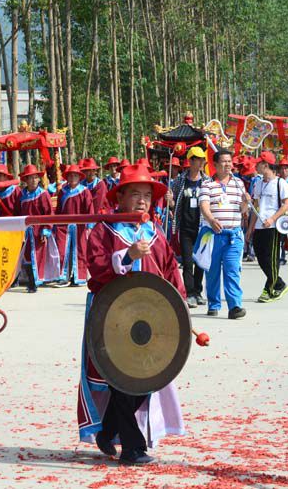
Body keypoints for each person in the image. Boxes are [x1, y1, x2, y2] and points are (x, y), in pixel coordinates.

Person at [79, 164, 185, 465]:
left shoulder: (155, 232)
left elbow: (169, 269)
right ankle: (132, 448)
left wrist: (179, 301)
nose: (142, 201)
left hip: (149, 322)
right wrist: (126, 256)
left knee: (147, 377)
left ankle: (109, 429)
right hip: (113, 319)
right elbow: (96, 270)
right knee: (123, 381)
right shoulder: (105, 229)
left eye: (147, 195)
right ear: (120, 197)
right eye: (135, 194)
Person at [199, 148, 249, 319]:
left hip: (233, 235)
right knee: (212, 271)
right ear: (215, 165)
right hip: (212, 235)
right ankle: (213, 303)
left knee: (232, 270)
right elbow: (204, 206)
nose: (228, 165)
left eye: (230, 161)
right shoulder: (207, 184)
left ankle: (235, 306)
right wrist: (212, 220)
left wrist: (246, 203)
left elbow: (242, 210)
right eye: (224, 162)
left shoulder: (239, 184)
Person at [166, 146, 207, 308]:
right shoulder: (179, 181)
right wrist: (170, 200)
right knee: (188, 262)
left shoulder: (207, 181)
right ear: (190, 161)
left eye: (202, 159)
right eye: (198, 159)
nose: (201, 162)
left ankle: (198, 291)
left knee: (201, 263)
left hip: (202, 227)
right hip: (185, 227)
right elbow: (173, 204)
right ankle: (189, 293)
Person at [250, 152, 288, 302]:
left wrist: (273, 218)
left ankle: (270, 289)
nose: (256, 166)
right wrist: (250, 229)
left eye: (258, 164)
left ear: (265, 165)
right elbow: (255, 205)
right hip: (260, 227)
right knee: (261, 259)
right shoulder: (258, 183)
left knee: (271, 259)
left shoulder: (280, 183)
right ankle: (279, 284)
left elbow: (287, 203)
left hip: (273, 227)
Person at [18, 164, 55, 292]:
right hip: (25, 231)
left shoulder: (43, 194)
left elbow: (49, 213)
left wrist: (46, 230)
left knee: (37, 256)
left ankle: (37, 281)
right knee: (27, 257)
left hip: (38, 231)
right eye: (30, 178)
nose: (33, 180)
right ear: (26, 180)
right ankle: (30, 282)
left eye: (35, 178)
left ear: (38, 179)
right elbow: (18, 212)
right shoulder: (22, 195)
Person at [55, 164, 94, 286]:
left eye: (75, 175)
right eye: (70, 175)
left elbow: (90, 209)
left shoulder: (84, 191)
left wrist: (90, 226)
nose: (72, 178)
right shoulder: (63, 191)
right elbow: (58, 210)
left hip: (80, 226)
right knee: (62, 250)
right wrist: (55, 224)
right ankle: (63, 277)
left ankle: (79, 278)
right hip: (64, 226)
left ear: (79, 177)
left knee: (80, 251)